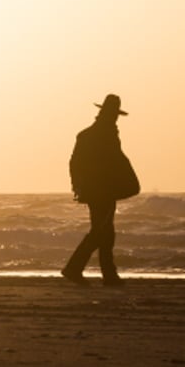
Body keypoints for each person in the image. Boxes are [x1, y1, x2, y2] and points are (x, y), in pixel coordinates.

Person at [62, 94, 140, 286]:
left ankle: (109, 275)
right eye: (114, 114)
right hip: (103, 190)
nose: (115, 119)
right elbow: (114, 162)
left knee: (106, 231)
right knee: (100, 231)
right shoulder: (107, 134)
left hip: (94, 190)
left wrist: (77, 185)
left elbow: (74, 163)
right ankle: (74, 268)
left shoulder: (86, 134)